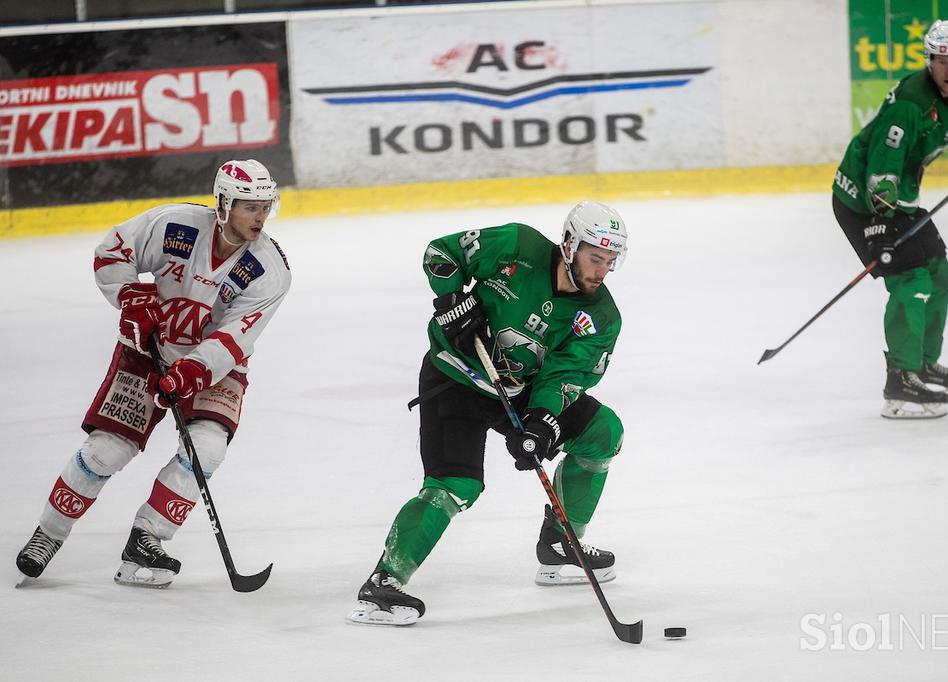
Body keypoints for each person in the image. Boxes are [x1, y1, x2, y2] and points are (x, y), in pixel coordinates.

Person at [348, 201, 628, 626]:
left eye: (610, 261)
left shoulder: (600, 316)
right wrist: (451, 301)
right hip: (455, 376)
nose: (601, 271)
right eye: (595, 257)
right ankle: (384, 581)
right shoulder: (517, 245)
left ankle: (560, 542)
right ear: (569, 244)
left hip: (517, 390)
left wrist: (542, 423)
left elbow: (565, 376)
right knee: (455, 484)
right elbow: (442, 253)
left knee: (603, 431)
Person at [15, 159, 291, 587]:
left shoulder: (269, 269)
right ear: (223, 204)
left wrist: (190, 371)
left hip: (213, 369)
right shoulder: (175, 224)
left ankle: (146, 541)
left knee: (206, 450)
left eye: (265, 206)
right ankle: (48, 534)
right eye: (249, 207)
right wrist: (130, 296)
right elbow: (112, 251)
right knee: (107, 451)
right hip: (144, 352)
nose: (260, 217)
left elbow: (235, 339)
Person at [831, 19, 948, 419]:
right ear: (929, 60)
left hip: (901, 198)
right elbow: (881, 167)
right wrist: (880, 226)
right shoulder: (910, 102)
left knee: (941, 277)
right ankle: (901, 383)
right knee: (911, 279)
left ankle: (922, 362)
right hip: (864, 199)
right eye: (942, 61)